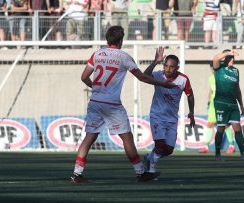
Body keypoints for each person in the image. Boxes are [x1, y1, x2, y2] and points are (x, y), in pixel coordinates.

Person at [70, 25, 176, 184]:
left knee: (90, 137)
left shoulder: (97, 54)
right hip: (112, 104)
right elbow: (142, 77)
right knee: (127, 137)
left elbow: (84, 76)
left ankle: (77, 174)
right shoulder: (124, 57)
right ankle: (141, 173)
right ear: (121, 40)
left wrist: (97, 88)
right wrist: (163, 84)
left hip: (96, 102)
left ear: (107, 39)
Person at [143, 47, 195, 175]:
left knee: (169, 150)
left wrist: (191, 112)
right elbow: (144, 76)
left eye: (171, 67)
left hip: (172, 119)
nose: (168, 69)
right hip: (157, 116)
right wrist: (155, 61)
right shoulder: (158, 75)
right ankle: (151, 172)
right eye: (166, 65)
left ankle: (149, 158)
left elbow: (190, 95)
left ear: (177, 68)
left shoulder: (183, 79)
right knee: (160, 145)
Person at [212, 49, 244, 161]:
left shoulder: (236, 71)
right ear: (225, 58)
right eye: (229, 57)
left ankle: (243, 153)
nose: (232, 59)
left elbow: (237, 89)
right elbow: (216, 58)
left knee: (238, 128)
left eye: (233, 57)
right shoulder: (219, 68)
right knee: (221, 128)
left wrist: (241, 104)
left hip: (233, 103)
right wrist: (228, 53)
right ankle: (217, 154)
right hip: (221, 103)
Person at [198, 62, 235, 154]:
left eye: (214, 68)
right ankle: (206, 146)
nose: (213, 70)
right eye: (212, 69)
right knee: (210, 124)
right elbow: (211, 91)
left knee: (225, 125)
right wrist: (209, 102)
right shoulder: (211, 78)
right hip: (213, 104)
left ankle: (231, 145)